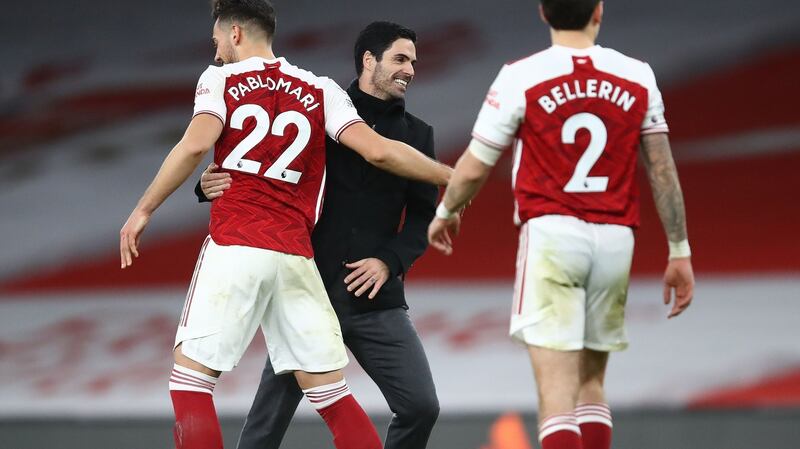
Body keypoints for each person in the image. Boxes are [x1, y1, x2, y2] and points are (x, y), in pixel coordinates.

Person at [118, 1, 451, 448]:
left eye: (217, 38)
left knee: (192, 382)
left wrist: (143, 210)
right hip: (297, 259)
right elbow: (378, 151)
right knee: (331, 396)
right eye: (402, 58)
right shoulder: (320, 89)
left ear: (235, 33)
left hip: (239, 243)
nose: (215, 49)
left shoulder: (220, 79)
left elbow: (197, 143)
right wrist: (453, 175)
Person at [427, 1, 695, 449]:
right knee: (591, 384)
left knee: (556, 395)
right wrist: (680, 249)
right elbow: (662, 169)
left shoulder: (522, 75)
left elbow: (474, 167)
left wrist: (446, 211)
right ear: (599, 11)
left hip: (553, 235)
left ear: (542, 12)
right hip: (615, 239)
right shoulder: (638, 74)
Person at [198, 21, 441, 449]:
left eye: (414, 62)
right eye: (400, 59)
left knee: (422, 406)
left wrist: (390, 260)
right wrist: (207, 185)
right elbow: (263, 168)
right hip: (305, 290)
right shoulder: (318, 113)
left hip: (375, 302)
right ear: (369, 60)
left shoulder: (419, 136)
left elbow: (423, 219)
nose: (410, 70)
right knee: (264, 428)